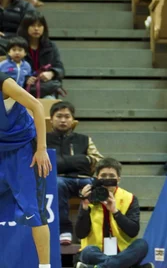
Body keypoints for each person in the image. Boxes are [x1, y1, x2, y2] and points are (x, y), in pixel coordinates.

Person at [0, 72, 52, 268]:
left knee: (34, 211)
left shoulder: (5, 82)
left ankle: (45, 266)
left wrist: (41, 149)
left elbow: (37, 106)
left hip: (23, 149)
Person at [75, 158, 153, 268]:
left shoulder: (129, 198)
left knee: (142, 245)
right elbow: (80, 234)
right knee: (88, 251)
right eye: (103, 176)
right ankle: (124, 266)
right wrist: (84, 207)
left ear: (118, 179)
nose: (107, 179)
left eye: (111, 176)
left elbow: (133, 231)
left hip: (122, 252)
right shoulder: (89, 198)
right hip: (96, 253)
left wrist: (115, 212)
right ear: (97, 179)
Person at [46, 101, 103, 246]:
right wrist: (79, 161)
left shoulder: (84, 139)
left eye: (67, 116)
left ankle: (94, 231)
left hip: (83, 180)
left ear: (73, 120)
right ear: (51, 119)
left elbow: (99, 161)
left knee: (97, 187)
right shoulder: (43, 140)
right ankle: (64, 231)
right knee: (56, 185)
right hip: (59, 180)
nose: (63, 120)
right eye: (59, 116)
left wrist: (62, 163)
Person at [17, 11, 65, 99]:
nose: (36, 29)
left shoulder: (51, 46)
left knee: (50, 99)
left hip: (45, 88)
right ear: (25, 27)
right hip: (22, 89)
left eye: (39, 25)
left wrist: (51, 73)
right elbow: (11, 68)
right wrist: (26, 78)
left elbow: (60, 67)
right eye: (32, 25)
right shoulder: (17, 47)